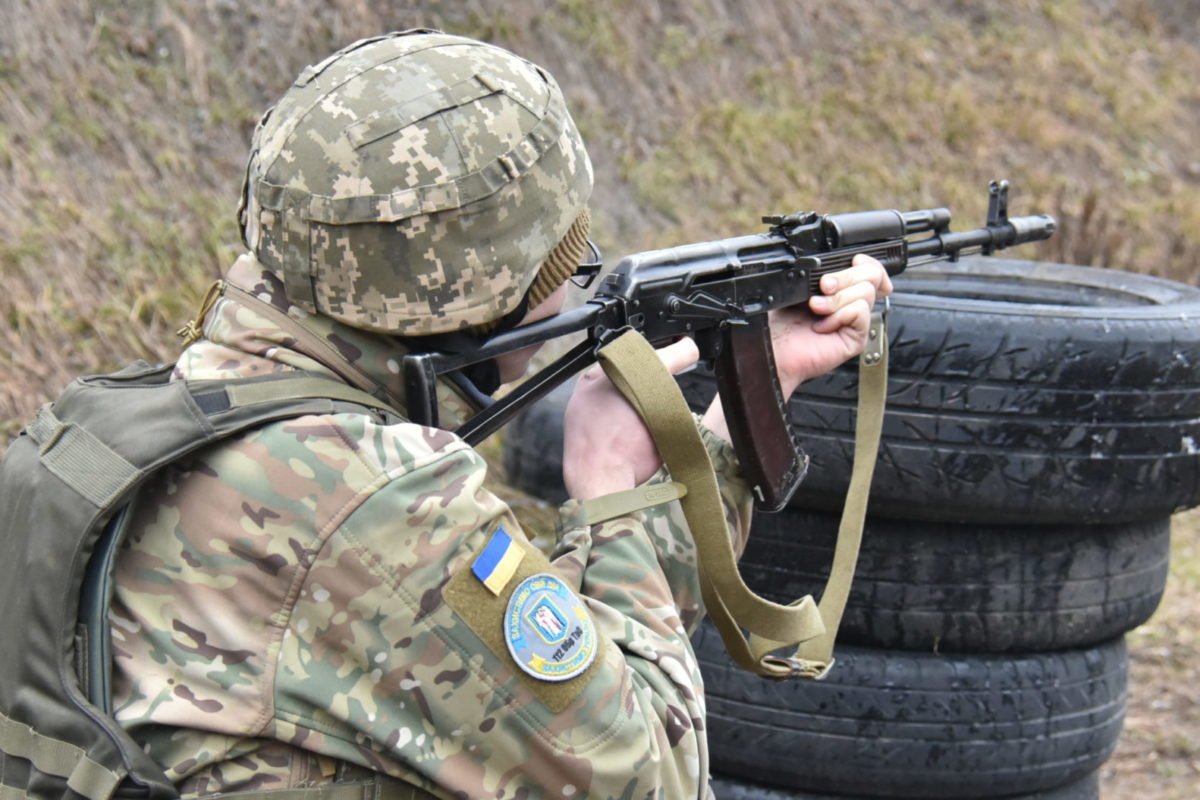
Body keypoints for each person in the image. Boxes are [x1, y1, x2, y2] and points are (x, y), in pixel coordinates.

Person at [108, 30, 892, 799]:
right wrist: (609, 482)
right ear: (489, 287)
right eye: (562, 264)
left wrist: (740, 410)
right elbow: (649, 775)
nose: (565, 294)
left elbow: (581, 663)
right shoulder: (382, 506)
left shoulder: (161, 418)